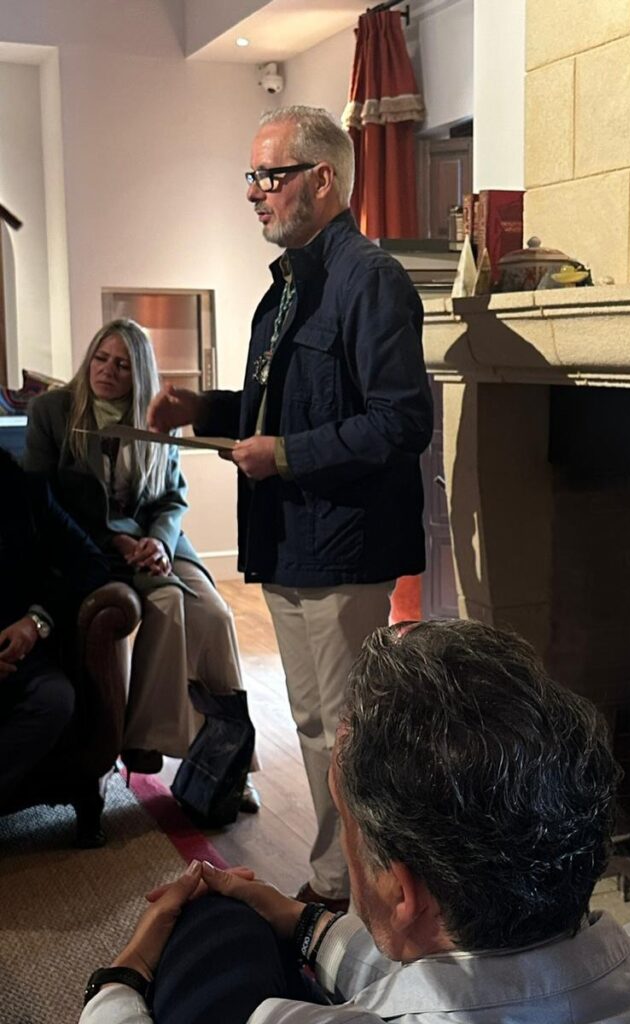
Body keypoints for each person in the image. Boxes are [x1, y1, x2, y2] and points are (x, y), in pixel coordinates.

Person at [80, 619, 630, 1024]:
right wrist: (304, 922)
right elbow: (480, 973)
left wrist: (125, 974)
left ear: (400, 888)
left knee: (211, 922)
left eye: (348, 824)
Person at [147, 105, 433, 908]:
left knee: (344, 729)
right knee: (315, 724)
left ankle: (364, 891)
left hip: (345, 543)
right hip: (288, 537)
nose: (254, 192)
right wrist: (204, 407)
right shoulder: (287, 289)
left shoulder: (370, 279)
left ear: (323, 178)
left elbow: (402, 421)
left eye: (269, 176)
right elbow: (287, 406)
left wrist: (286, 456)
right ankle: (343, 880)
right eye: (253, 176)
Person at [23, 319, 259, 811]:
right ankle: (144, 740)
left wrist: (160, 542)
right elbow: (43, 501)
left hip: (157, 540)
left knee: (217, 616)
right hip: (92, 546)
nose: (107, 371)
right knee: (168, 600)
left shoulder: (154, 419)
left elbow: (172, 496)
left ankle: (233, 762)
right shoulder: (53, 411)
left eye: (122, 365)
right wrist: (118, 539)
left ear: (140, 374)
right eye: (100, 358)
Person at [0, 446, 108, 804]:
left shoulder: (27, 492)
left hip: (18, 652)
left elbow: (92, 563)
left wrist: (35, 620)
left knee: (55, 698)